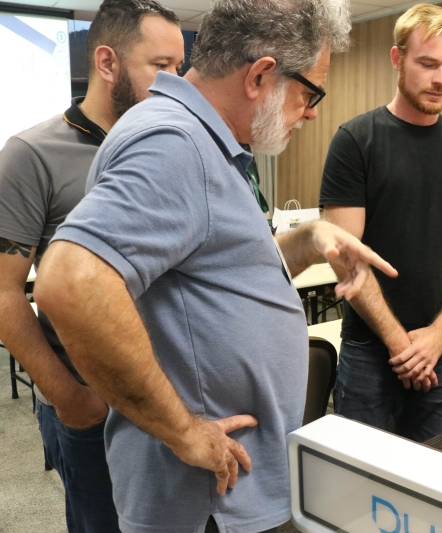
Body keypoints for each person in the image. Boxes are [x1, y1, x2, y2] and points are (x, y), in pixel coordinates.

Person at [32, 1, 393, 532]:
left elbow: (219, 272)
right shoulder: (176, 143)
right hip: (205, 498)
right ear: (261, 76)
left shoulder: (201, 140)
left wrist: (310, 238)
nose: (312, 111)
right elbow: (71, 281)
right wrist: (182, 430)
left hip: (225, 493)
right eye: (309, 92)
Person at [0, 1, 184, 531]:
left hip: (169, 398)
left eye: (180, 67)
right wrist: (68, 397)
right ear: (107, 63)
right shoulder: (32, 154)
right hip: (90, 404)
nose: (177, 82)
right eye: (162, 66)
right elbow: (6, 292)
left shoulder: (166, 146)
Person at [319, 3, 442, 443]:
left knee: (425, 480)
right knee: (357, 480)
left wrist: (438, 334)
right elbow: (343, 255)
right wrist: (401, 344)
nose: (441, 79)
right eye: (428, 64)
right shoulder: (355, 141)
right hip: (371, 350)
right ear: (397, 59)